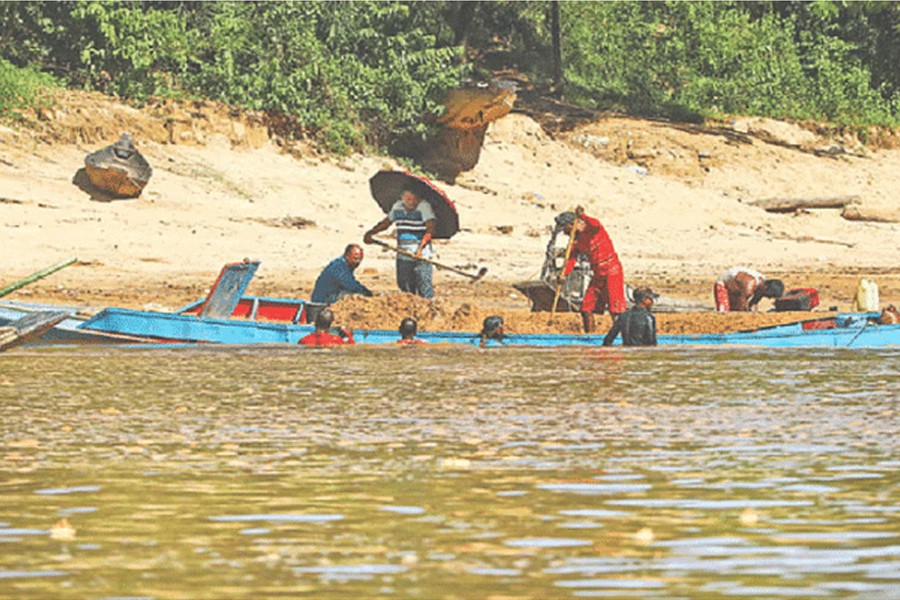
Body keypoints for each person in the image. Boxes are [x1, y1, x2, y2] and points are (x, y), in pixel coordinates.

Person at [557, 207, 626, 334]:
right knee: (585, 308)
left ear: (571, 225)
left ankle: (622, 335)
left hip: (612, 271)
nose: (565, 233)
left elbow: (595, 223)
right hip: (598, 274)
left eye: (565, 229)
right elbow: (571, 260)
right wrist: (563, 274)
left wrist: (583, 216)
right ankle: (590, 336)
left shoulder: (592, 230)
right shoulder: (575, 242)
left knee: (615, 309)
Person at [364, 189, 436, 299]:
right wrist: (372, 232)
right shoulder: (397, 207)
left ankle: (428, 309)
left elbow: (430, 229)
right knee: (404, 284)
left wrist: (420, 250)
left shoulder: (424, 207)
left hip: (422, 255)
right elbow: (386, 222)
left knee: (424, 285)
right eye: (408, 199)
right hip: (403, 253)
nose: (411, 202)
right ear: (402, 198)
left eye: (414, 199)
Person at [309, 244, 372, 323]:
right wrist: (368, 294)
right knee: (353, 296)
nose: (358, 262)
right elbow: (351, 285)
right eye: (355, 259)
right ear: (347, 256)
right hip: (322, 302)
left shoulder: (342, 264)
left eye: (360, 259)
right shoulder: (339, 267)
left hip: (327, 298)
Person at [714, 267, 784, 312]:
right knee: (724, 312)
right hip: (724, 285)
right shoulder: (749, 285)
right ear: (765, 288)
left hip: (737, 288)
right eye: (769, 295)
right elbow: (740, 308)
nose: (768, 298)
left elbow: (753, 304)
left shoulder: (762, 286)